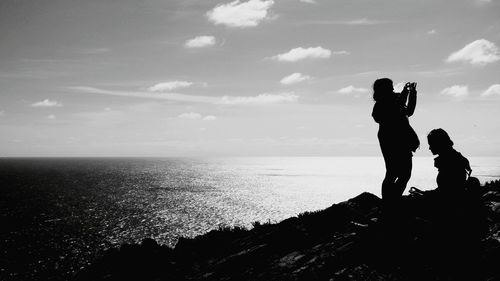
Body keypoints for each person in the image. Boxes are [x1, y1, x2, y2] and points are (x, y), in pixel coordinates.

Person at [371, 78, 419, 204]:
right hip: (390, 138)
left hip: (402, 138)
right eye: (390, 86)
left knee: (405, 173)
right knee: (393, 172)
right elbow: (395, 110)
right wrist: (405, 93)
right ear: (383, 89)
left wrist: (412, 93)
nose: (393, 89)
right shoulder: (380, 104)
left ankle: (392, 199)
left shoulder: (396, 97)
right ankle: (389, 201)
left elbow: (409, 111)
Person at [427, 128, 471, 196]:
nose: (429, 148)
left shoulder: (450, 162)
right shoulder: (455, 158)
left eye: (431, 144)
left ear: (439, 144)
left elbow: (448, 191)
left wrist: (428, 194)